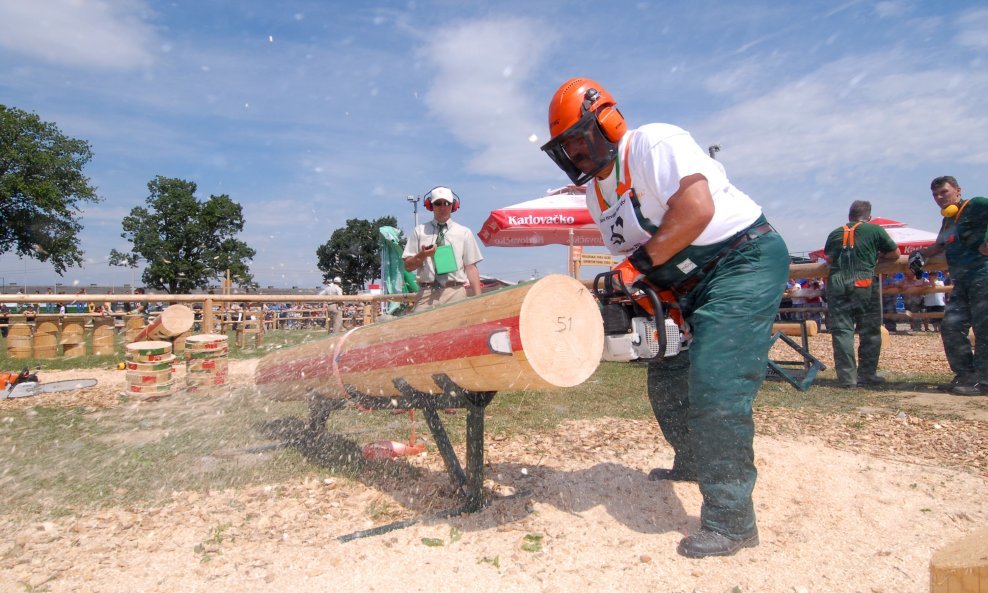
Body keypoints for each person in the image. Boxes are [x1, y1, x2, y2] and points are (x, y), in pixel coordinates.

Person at [541, 78, 789, 558]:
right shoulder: (596, 194)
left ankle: (732, 521)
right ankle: (694, 460)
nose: (575, 154)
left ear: (607, 122)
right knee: (667, 376)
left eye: (578, 140)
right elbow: (637, 255)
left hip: (742, 258)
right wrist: (634, 292)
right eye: (565, 147)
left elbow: (695, 210)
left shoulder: (655, 142)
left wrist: (635, 270)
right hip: (683, 281)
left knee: (716, 382)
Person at [909, 176, 988, 396]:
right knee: (951, 326)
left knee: (984, 329)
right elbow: (940, 245)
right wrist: (921, 254)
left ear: (958, 191)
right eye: (935, 195)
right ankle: (965, 375)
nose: (939, 198)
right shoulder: (949, 220)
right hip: (961, 280)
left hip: (983, 274)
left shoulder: (976, 205)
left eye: (944, 192)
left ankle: (984, 381)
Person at [822, 200, 900, 388]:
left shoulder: (836, 232)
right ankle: (867, 374)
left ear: (849, 216)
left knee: (842, 331)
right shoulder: (875, 230)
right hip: (863, 281)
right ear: (869, 217)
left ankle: (847, 379)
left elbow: (830, 258)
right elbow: (895, 254)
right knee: (870, 329)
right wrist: (877, 256)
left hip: (837, 283)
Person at [402, 186, 483, 311]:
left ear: (453, 205)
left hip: (456, 293)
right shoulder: (419, 231)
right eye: (438, 203)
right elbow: (408, 266)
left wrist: (479, 299)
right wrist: (423, 255)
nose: (443, 207)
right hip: (426, 294)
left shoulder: (464, 232)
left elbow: (471, 267)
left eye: (446, 203)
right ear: (430, 206)